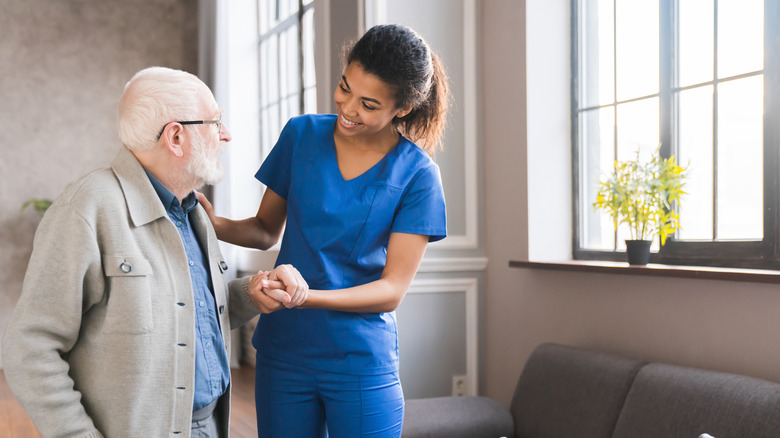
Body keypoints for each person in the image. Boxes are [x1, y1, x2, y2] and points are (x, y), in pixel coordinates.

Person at [2, 66, 306, 438]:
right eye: (215, 122)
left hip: (211, 425)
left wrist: (251, 294)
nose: (226, 135)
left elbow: (186, 308)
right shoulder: (85, 210)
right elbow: (29, 347)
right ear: (176, 137)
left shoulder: (193, 210)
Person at [199, 24, 449, 437]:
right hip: (284, 351)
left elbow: (392, 290)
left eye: (369, 104)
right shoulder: (301, 134)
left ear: (400, 109)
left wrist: (303, 296)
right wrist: (214, 223)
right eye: (344, 87)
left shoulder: (419, 175)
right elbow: (265, 230)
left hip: (360, 358)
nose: (348, 108)